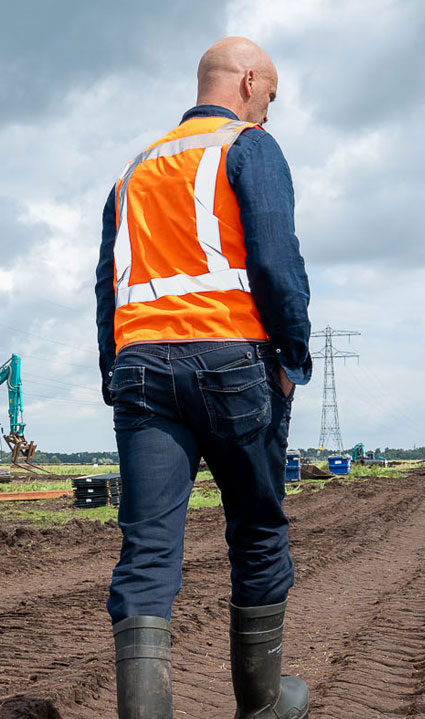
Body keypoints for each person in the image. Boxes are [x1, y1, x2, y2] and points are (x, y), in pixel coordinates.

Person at [94, 36, 313, 718]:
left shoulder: (134, 170)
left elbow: (108, 284)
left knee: (147, 552)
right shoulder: (249, 147)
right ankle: (263, 704)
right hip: (231, 365)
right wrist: (292, 359)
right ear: (247, 82)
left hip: (141, 371)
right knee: (256, 533)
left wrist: (116, 373)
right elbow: (276, 259)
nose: (269, 111)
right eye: (270, 96)